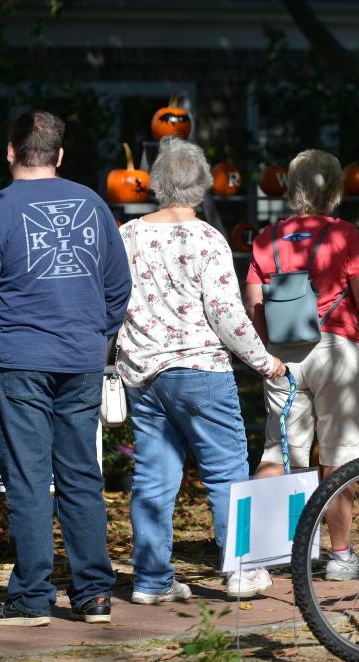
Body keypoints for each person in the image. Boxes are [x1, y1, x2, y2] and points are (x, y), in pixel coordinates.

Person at [0, 111, 130, 626]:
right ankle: (94, 594)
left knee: (29, 479)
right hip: (79, 359)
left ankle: (32, 597)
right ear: (59, 155)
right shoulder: (93, 205)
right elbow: (117, 285)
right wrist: (98, 336)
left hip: (20, 358)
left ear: (11, 152)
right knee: (81, 474)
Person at [116, 137, 286, 602]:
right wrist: (264, 361)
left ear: (156, 183)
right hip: (200, 368)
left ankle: (151, 580)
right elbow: (225, 313)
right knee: (226, 470)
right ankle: (242, 572)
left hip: (144, 372)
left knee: (153, 476)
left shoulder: (127, 235)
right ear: (203, 186)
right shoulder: (208, 238)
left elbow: (111, 302)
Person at [243, 149, 359, 581]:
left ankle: (266, 555)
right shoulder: (345, 236)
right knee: (338, 457)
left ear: (290, 188)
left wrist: (270, 349)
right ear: (336, 189)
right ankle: (339, 557)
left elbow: (253, 304)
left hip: (283, 356)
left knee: (279, 452)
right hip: (336, 350)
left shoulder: (267, 238)